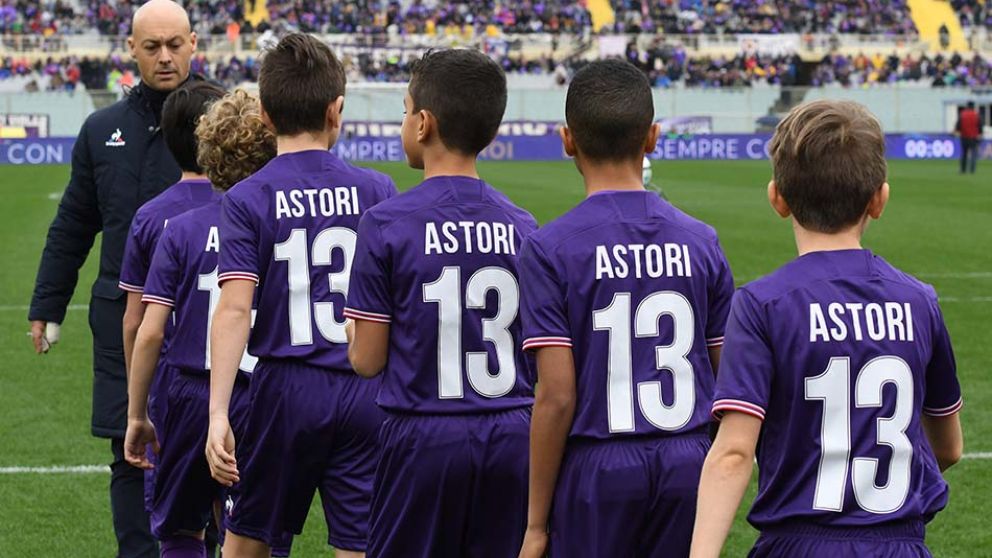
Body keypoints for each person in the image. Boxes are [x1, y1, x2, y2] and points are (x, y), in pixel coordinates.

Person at [690, 100, 964, 558]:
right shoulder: (920, 301)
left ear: (777, 198)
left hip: (797, 544)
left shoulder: (762, 304)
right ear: (879, 199)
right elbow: (949, 448)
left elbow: (734, 453)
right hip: (898, 544)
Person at [516, 59, 734, 558]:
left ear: (567, 139)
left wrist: (534, 522)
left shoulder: (550, 247)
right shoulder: (702, 240)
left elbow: (556, 397)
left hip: (599, 466)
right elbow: (730, 378)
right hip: (688, 459)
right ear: (652, 137)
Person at [203, 33, 397, 558]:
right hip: (364, 386)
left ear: (264, 115)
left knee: (246, 542)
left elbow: (235, 308)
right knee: (360, 545)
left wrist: (219, 412)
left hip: (285, 386)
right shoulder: (378, 189)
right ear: (337, 111)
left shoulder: (247, 197)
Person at [344, 48, 537, 558]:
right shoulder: (524, 227)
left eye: (405, 110)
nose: (404, 121)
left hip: (422, 434)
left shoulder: (385, 222)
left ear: (423, 123)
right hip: (513, 429)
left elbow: (366, 360)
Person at [28, 1, 198, 555]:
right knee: (130, 451)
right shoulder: (102, 130)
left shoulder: (227, 119)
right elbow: (74, 223)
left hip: (207, 314)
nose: (165, 57)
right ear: (131, 49)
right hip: (120, 319)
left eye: (175, 44)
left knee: (213, 446)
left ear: (194, 44)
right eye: (152, 47)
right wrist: (48, 303)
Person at [123, 88, 293, 558]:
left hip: (188, 393)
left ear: (209, 154)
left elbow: (150, 330)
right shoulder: (284, 229)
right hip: (262, 393)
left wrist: (138, 415)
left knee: (181, 528)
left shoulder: (179, 229)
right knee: (258, 529)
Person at [118, 79, 224, 525]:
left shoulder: (151, 216)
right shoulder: (255, 207)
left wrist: (136, 406)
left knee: (181, 527)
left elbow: (135, 323)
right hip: (250, 384)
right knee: (250, 526)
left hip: (174, 387)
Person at [955, 101, 983, 174]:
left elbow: (958, 126)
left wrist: (957, 131)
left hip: (964, 137)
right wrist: (980, 134)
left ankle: (963, 170)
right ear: (973, 107)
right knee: (973, 154)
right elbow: (980, 126)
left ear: (967, 106)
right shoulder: (976, 115)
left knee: (964, 154)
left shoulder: (962, 114)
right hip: (973, 137)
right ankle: (972, 170)